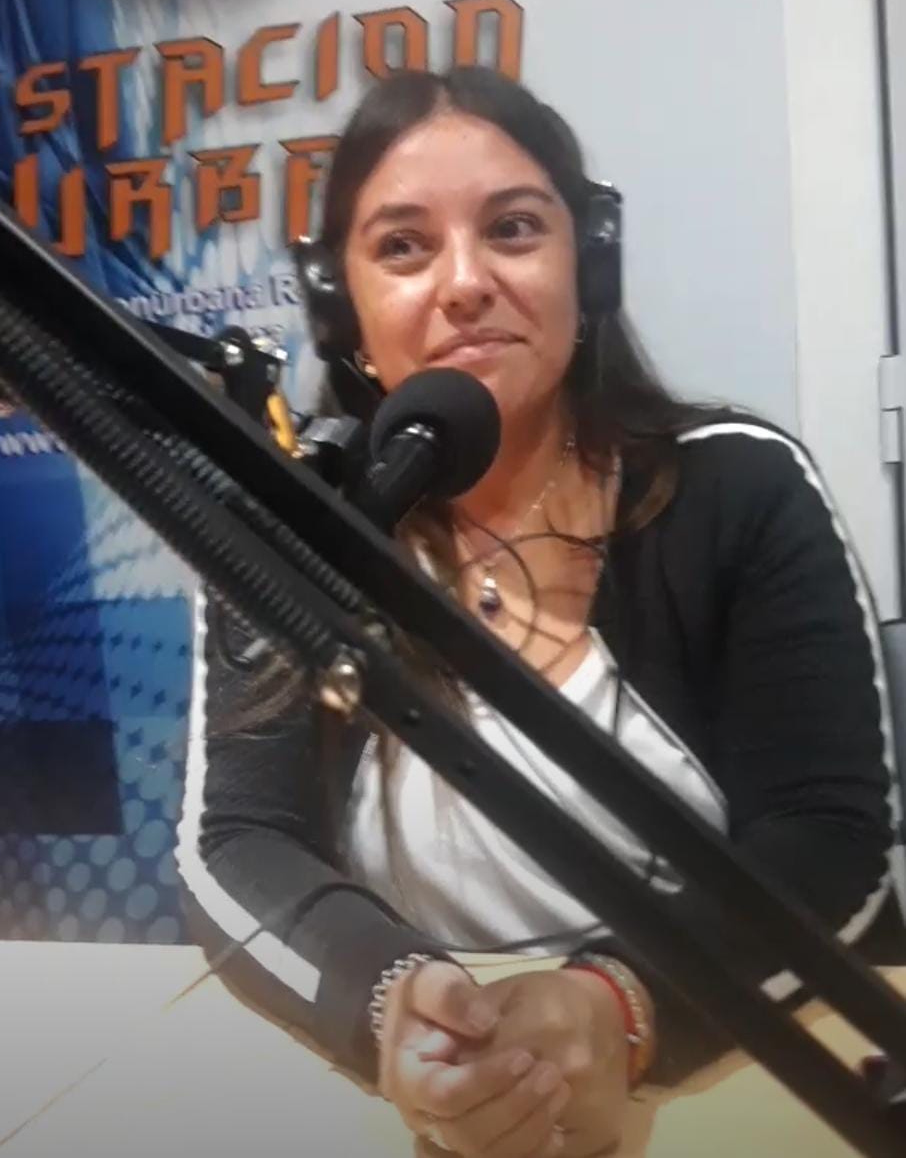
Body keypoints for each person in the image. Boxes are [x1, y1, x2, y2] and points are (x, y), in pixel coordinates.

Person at [176, 66, 896, 1157]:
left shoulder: (739, 488)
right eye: (404, 246)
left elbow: (829, 844)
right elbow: (238, 841)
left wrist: (619, 1007)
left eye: (512, 228)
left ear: (586, 263)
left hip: (732, 1074)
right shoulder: (294, 531)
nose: (465, 283)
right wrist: (392, 1006)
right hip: (440, 1103)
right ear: (340, 305)